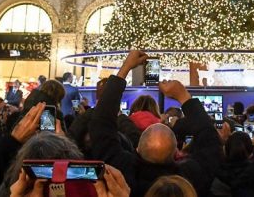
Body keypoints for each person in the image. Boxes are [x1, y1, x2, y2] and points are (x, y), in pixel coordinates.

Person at [89, 50, 223, 197]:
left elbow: (101, 124)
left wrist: (125, 68)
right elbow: (210, 140)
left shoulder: (123, 174)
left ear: (138, 149)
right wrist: (183, 96)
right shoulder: (191, 179)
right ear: (176, 153)